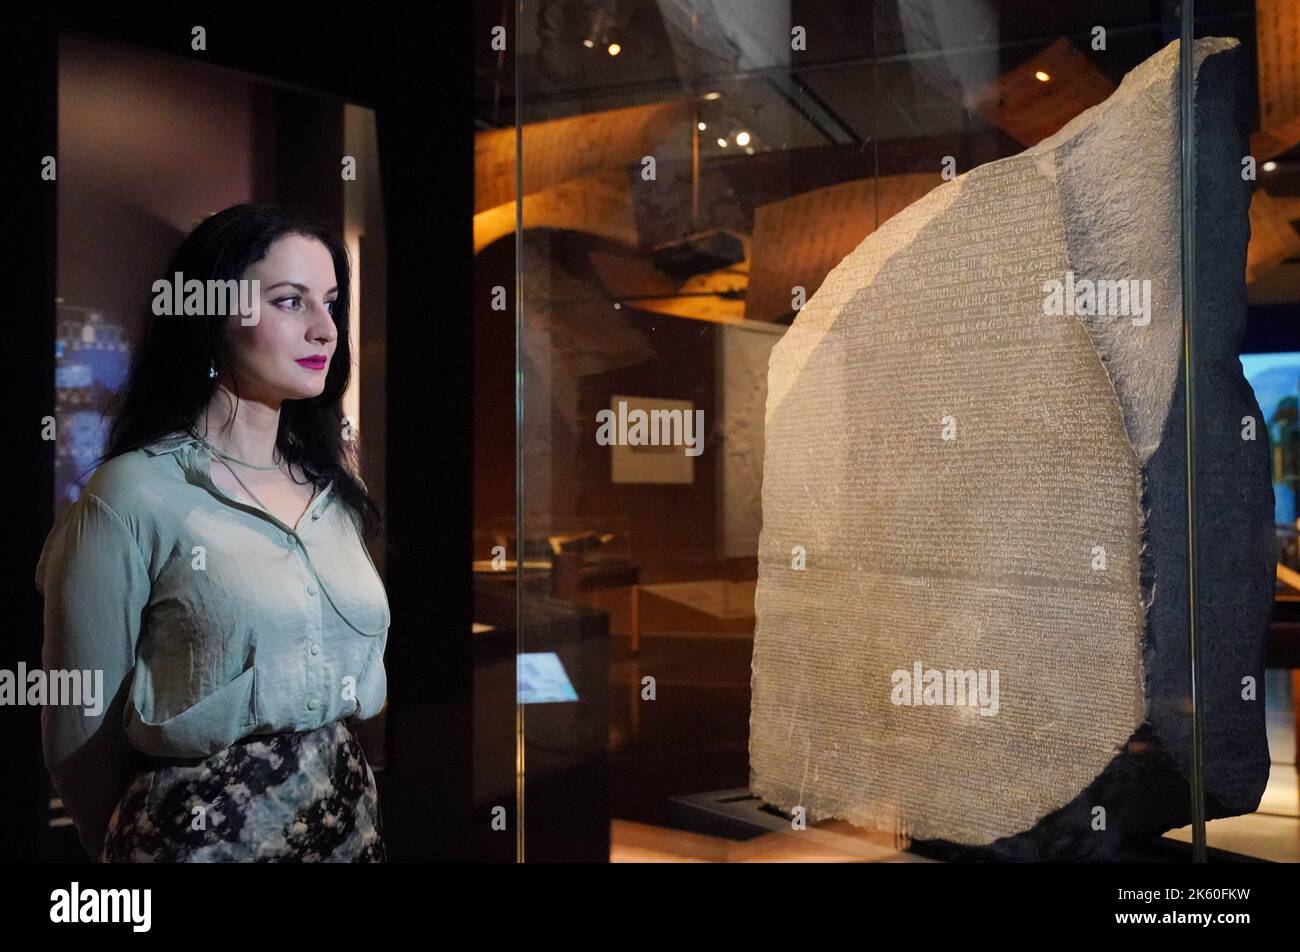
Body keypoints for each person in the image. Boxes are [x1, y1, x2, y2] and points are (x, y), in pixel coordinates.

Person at [35, 203, 389, 862]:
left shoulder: (336, 489)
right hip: (197, 837)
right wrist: (124, 843)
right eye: (291, 302)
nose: (324, 330)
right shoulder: (133, 494)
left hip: (346, 821)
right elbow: (78, 735)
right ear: (211, 314)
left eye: (331, 303)